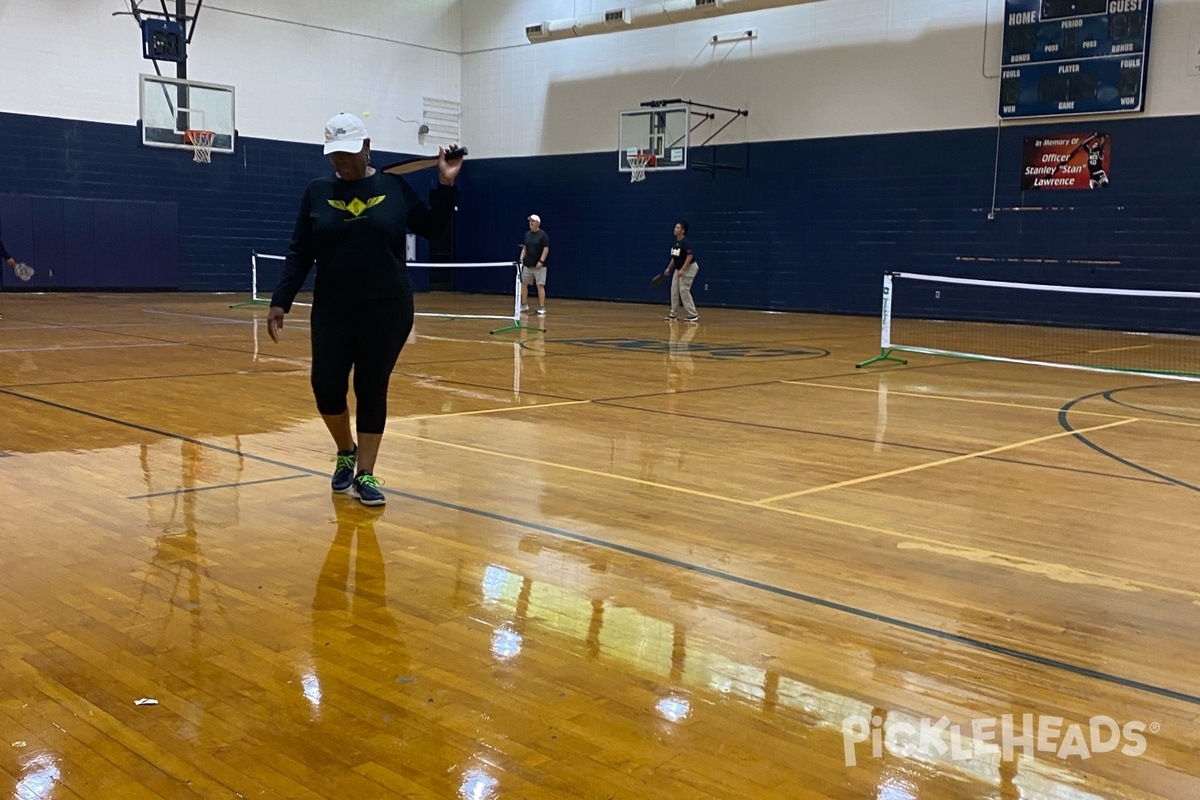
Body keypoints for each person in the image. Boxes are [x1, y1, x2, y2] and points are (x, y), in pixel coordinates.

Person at [267, 112, 461, 506]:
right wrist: (280, 300)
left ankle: (366, 475)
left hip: (387, 306)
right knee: (326, 386)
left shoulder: (394, 187)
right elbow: (301, 250)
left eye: (350, 153)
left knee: (371, 387)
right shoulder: (317, 191)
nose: (343, 162)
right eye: (335, 155)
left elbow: (434, 229)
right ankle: (345, 450)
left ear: (367, 147)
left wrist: (444, 184)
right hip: (333, 307)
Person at [662, 220, 699, 323]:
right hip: (679, 268)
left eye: (678, 228)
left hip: (689, 267)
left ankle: (693, 314)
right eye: (675, 227)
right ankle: (673, 314)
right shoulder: (675, 243)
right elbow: (674, 257)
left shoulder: (686, 243)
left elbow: (690, 256)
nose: (675, 229)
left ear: (682, 231)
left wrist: (683, 269)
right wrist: (669, 268)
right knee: (674, 290)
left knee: (683, 289)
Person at [518, 214, 550, 315]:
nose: (531, 223)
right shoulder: (527, 234)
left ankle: (542, 307)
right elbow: (525, 248)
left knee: (540, 285)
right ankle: (524, 304)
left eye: (533, 221)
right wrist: (521, 259)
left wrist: (541, 261)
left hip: (539, 266)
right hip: (528, 265)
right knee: (524, 284)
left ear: (538, 223)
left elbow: (546, 248)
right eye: (530, 221)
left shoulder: (543, 235)